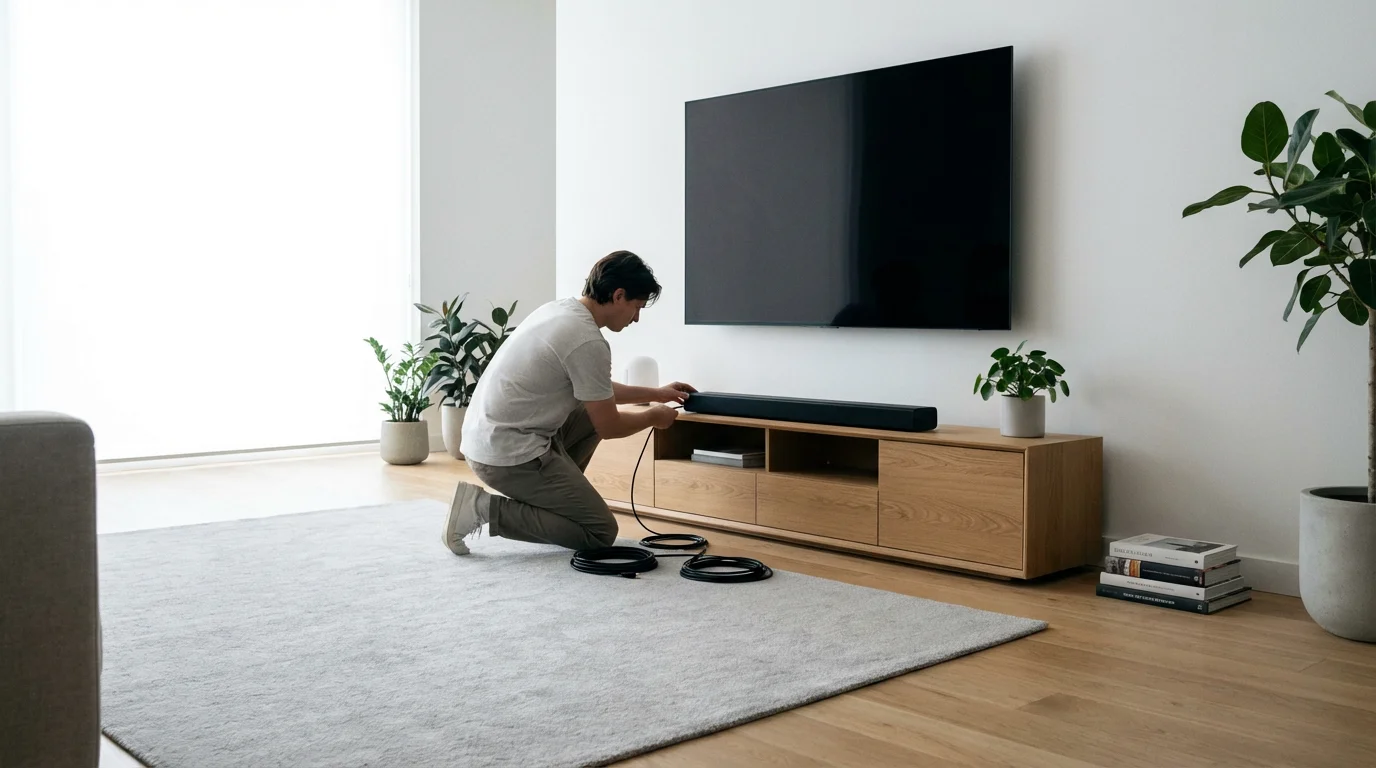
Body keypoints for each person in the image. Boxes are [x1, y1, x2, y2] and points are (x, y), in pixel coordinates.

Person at [442, 250, 695, 555]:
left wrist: (656, 393)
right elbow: (610, 425)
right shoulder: (587, 341)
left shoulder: (560, 311)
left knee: (588, 411)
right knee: (599, 530)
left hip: (487, 439)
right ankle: (482, 508)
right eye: (636, 307)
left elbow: (595, 389)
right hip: (508, 454)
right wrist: (654, 417)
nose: (636, 318)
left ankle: (558, 500)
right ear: (618, 295)